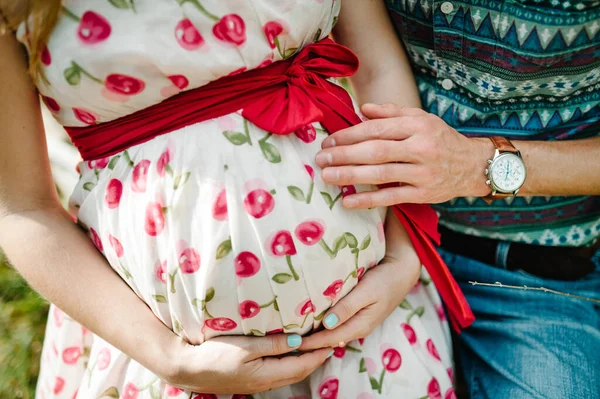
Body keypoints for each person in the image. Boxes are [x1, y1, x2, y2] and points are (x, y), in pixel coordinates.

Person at [0, 1, 463, 397]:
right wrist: (169, 357)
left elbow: (378, 68)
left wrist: (406, 254)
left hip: (370, 329)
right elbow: (22, 208)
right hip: (155, 357)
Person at [315, 1, 600, 398]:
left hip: (531, 276)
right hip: (378, 241)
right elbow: (374, 61)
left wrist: (475, 165)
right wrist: (405, 247)